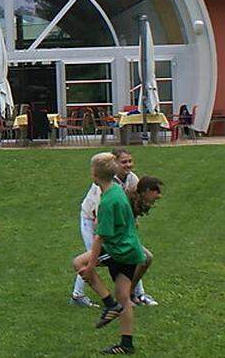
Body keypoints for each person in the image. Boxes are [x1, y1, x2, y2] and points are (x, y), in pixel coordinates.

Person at [72, 153, 145, 355]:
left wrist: (91, 266)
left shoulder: (107, 201)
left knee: (79, 263)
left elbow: (99, 237)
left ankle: (109, 304)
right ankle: (126, 344)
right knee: (124, 297)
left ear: (94, 175)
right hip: (131, 249)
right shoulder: (117, 191)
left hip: (119, 250)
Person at [71, 148, 153, 306]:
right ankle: (79, 295)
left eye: (130, 161)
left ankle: (131, 295)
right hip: (92, 221)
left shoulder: (129, 180)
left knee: (137, 257)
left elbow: (131, 203)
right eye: (124, 162)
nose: (128, 165)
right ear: (115, 164)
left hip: (113, 227)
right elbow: (98, 218)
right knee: (91, 259)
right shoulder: (105, 188)